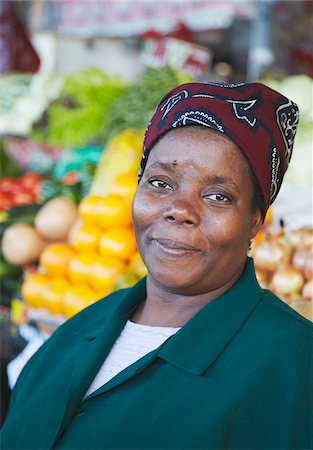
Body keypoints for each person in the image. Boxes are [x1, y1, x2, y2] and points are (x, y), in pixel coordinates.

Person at [1, 82, 312, 450]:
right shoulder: (78, 332)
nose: (180, 209)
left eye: (217, 196)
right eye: (160, 183)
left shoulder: (293, 367)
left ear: (255, 221)